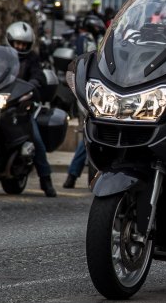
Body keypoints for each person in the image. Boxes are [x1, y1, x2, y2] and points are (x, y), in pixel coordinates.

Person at [6, 21, 57, 196]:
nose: (20, 47)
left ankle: (46, 180)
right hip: (2, 102)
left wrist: (33, 84)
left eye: (23, 44)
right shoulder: (2, 56)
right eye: (17, 43)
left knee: (35, 138)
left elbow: (38, 75)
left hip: (23, 105)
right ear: (10, 41)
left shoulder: (32, 58)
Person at [63, 15, 104, 189]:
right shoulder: (84, 41)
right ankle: (72, 174)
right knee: (90, 133)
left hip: (102, 90)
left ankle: (74, 175)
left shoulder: (103, 40)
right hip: (87, 89)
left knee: (92, 134)